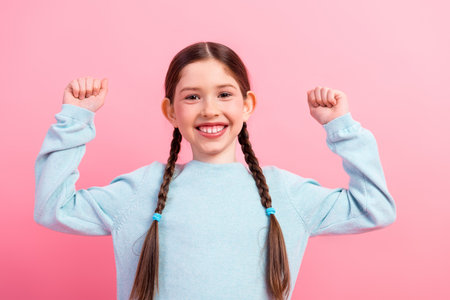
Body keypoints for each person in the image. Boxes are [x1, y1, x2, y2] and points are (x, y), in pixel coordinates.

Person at [33, 41, 397, 300]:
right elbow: (55, 209)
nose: (209, 109)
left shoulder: (285, 193)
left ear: (247, 104)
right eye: (192, 96)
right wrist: (74, 121)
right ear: (171, 111)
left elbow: (374, 209)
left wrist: (341, 128)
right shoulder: (141, 190)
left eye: (224, 94)